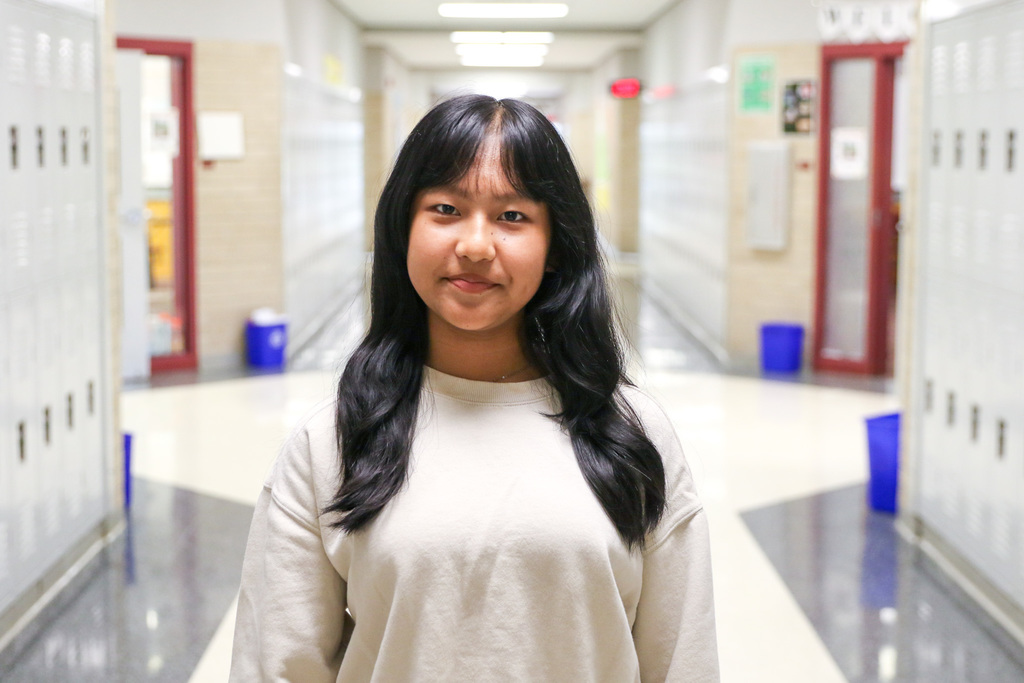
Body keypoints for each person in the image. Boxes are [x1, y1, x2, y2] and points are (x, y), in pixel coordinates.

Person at [229, 94, 719, 682]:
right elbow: (278, 665)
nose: (476, 245)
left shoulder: (631, 433)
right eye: (445, 208)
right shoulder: (331, 442)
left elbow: (681, 659)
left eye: (512, 216)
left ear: (555, 243)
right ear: (402, 228)